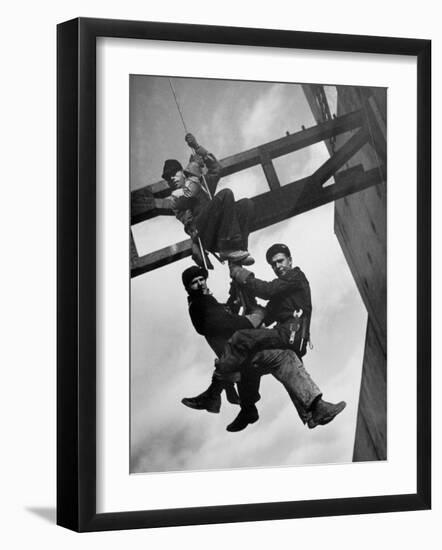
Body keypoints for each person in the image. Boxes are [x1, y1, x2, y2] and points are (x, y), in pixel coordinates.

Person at [181, 265, 346, 431]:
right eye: (195, 282)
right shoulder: (200, 303)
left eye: (202, 279)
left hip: (239, 357)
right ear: (188, 288)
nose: (201, 283)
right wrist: (253, 318)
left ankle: (247, 409)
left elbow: (225, 316)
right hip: (238, 352)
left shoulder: (206, 302)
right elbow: (224, 323)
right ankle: (315, 409)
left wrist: (235, 296)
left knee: (255, 369)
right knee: (284, 357)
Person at [162, 133, 254, 266]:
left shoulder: (201, 184)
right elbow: (189, 193)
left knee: (247, 204)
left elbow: (216, 169)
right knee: (225, 194)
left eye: (174, 173)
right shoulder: (175, 197)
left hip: (219, 232)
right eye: (168, 178)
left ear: (181, 172)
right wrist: (193, 167)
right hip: (203, 233)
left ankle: (239, 252)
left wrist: (197, 147)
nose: (171, 178)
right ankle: (229, 249)